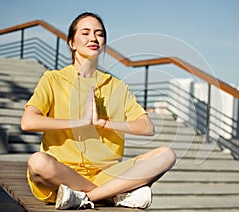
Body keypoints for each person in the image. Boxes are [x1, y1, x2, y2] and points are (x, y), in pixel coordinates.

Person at [21, 12, 176, 210]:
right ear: (72, 43)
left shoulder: (117, 86)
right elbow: (28, 122)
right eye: (85, 33)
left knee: (167, 155)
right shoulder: (52, 79)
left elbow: (147, 127)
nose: (93, 38)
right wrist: (80, 122)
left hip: (107, 174)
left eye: (99, 34)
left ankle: (85, 197)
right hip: (62, 174)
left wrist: (104, 123)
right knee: (37, 162)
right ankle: (113, 196)